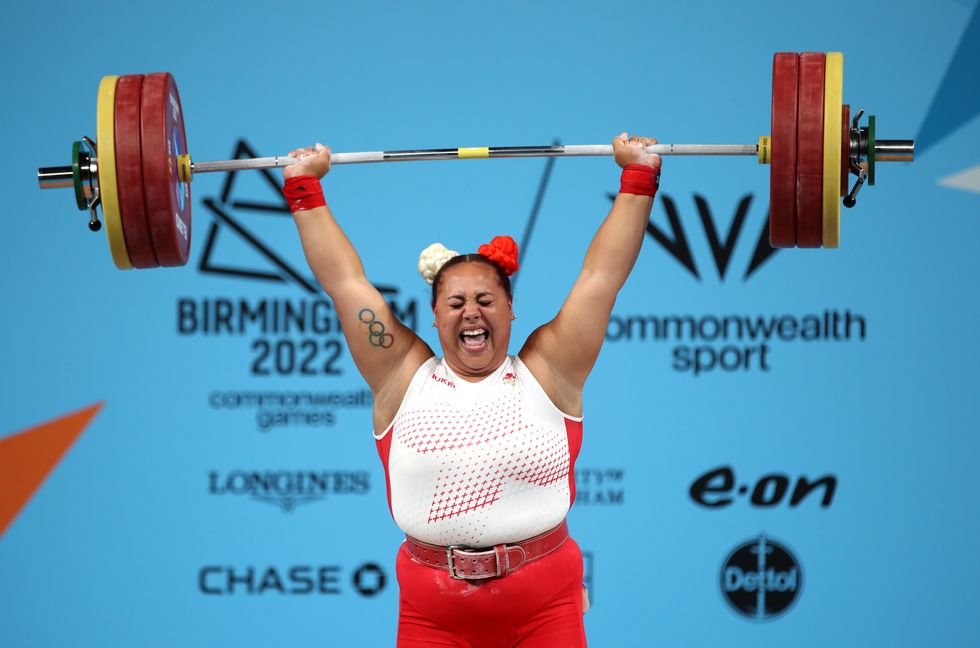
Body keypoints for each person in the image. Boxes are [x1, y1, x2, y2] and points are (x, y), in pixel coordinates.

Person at [283, 133, 661, 647]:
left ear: (509, 311)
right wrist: (304, 187)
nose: (471, 311)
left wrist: (638, 176)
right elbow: (346, 283)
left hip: (545, 607)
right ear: (436, 317)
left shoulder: (550, 369)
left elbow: (602, 277)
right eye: (455, 302)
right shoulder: (401, 374)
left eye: (486, 299)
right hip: (433, 616)